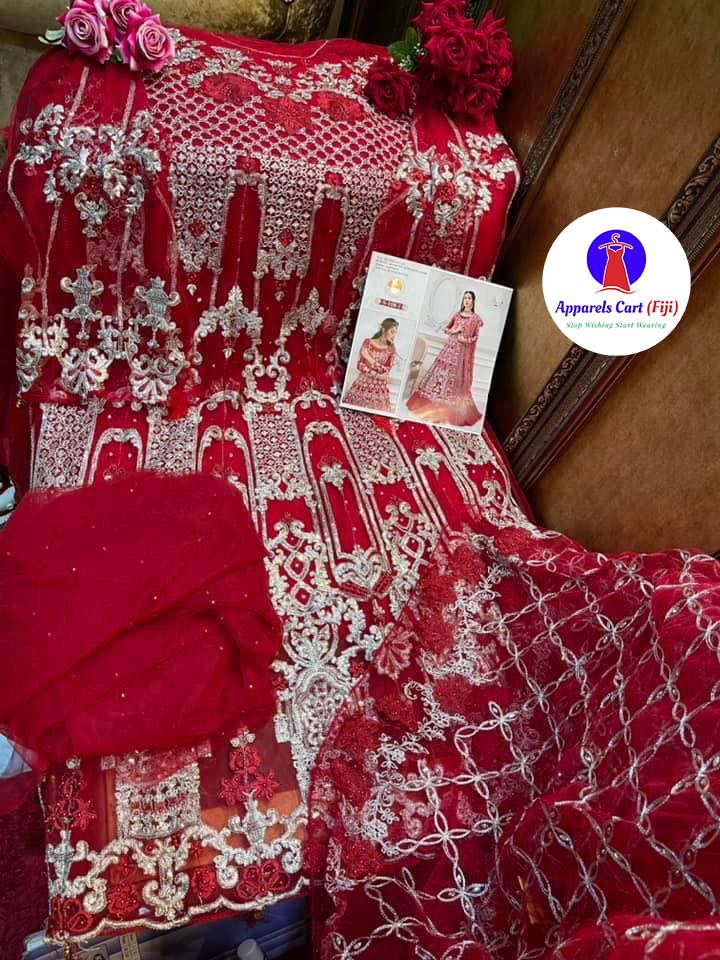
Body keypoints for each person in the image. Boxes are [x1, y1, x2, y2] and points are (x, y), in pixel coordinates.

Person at [406, 290, 483, 426]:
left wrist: (465, 340)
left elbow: (475, 337)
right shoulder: (457, 315)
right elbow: (446, 329)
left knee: (455, 379)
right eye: (465, 298)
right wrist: (454, 331)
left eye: (469, 298)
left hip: (461, 353)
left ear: (473, 301)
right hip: (448, 349)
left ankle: (448, 410)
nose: (467, 300)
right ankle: (431, 406)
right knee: (440, 375)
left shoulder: (476, 319)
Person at [343, 318, 399, 411]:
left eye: (395, 333)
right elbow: (360, 365)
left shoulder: (391, 349)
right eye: (392, 332)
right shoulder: (368, 342)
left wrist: (369, 358)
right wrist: (378, 375)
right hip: (362, 384)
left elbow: (386, 371)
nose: (394, 335)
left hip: (379, 389)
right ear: (384, 330)